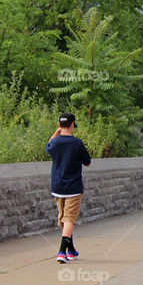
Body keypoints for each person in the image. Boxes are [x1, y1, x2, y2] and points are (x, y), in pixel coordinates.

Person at [46, 112, 92, 263]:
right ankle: (61, 251)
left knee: (64, 218)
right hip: (73, 187)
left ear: (59, 125)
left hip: (58, 187)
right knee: (69, 219)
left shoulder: (55, 143)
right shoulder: (77, 143)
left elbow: (49, 145)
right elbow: (87, 162)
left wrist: (57, 132)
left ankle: (71, 250)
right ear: (72, 125)